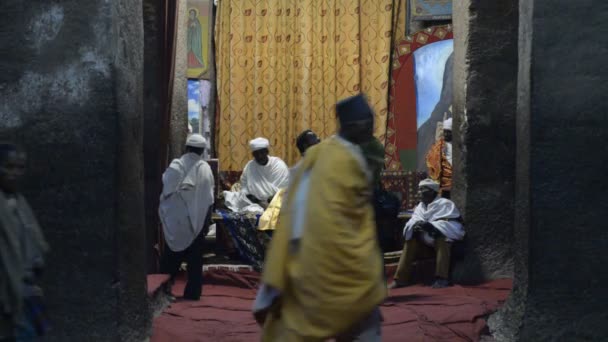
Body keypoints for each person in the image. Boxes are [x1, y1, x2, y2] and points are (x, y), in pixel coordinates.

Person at [254, 94, 385, 341]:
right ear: (356, 124)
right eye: (368, 121)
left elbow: (297, 212)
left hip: (311, 269)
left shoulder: (320, 157)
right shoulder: (344, 159)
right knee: (363, 326)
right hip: (346, 271)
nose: (372, 127)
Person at [0, 143, 50, 340]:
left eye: (19, 168)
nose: (14, 173)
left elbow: (34, 244)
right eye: (8, 167)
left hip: (26, 292)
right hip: (6, 295)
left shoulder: (19, 203)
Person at [159, 134, 214, 300]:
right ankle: (193, 293)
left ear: (186, 148)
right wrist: (205, 222)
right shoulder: (204, 168)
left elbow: (166, 190)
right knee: (195, 260)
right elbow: (209, 199)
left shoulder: (176, 165)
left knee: (171, 257)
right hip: (196, 221)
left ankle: (163, 291)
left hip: (175, 220)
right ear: (202, 150)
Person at [389, 179, 465, 289]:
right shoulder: (420, 207)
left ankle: (441, 278)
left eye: (423, 190)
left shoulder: (445, 203)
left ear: (432, 192)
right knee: (411, 241)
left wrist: (432, 227)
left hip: (443, 244)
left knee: (442, 238)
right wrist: (415, 226)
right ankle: (400, 279)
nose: (419, 192)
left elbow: (453, 225)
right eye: (419, 190)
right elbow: (413, 221)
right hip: (425, 244)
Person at [258, 130, 320, 232]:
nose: (320, 146)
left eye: (319, 142)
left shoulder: (326, 166)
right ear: (306, 148)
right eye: (315, 144)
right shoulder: (296, 172)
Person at [223, 138, 289, 212]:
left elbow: (282, 190)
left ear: (267, 152)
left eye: (262, 152)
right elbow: (244, 186)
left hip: (275, 201)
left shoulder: (278, 165)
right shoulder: (250, 166)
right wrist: (255, 199)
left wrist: (266, 201)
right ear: (253, 155)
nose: (260, 156)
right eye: (256, 154)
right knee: (229, 197)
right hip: (253, 200)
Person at [426, 118, 453, 198]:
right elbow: (430, 159)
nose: (446, 134)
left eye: (449, 132)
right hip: (443, 183)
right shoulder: (438, 146)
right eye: (445, 132)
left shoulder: (460, 146)